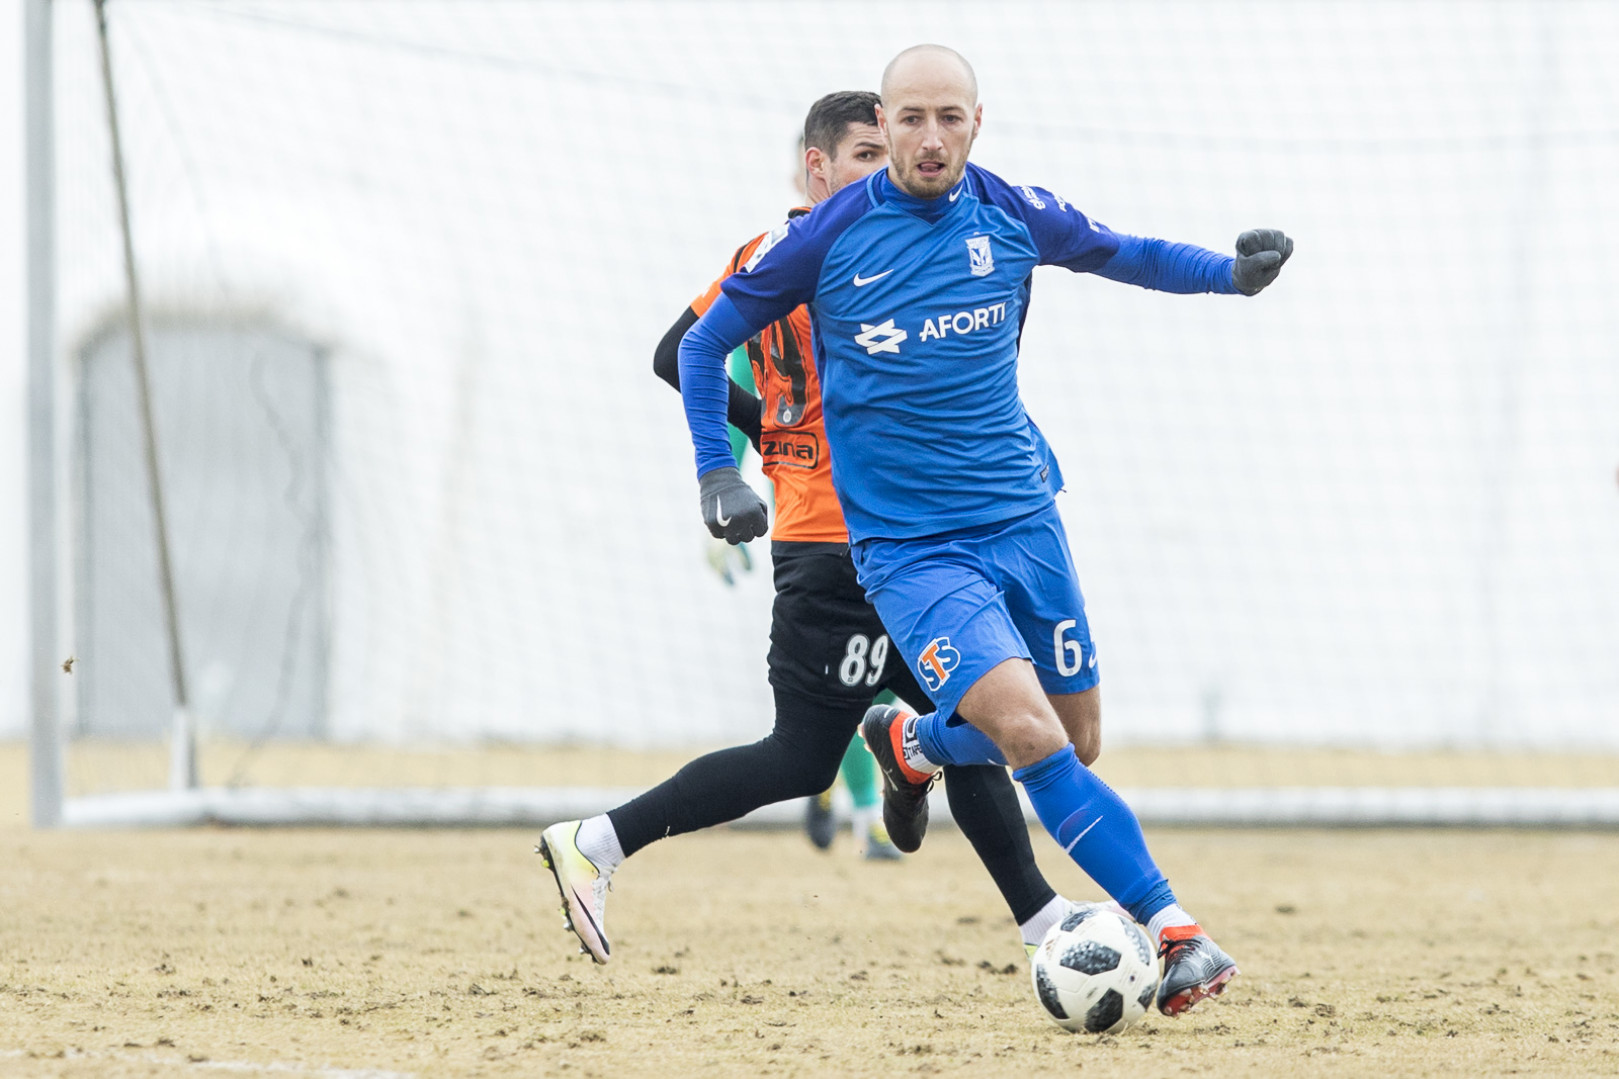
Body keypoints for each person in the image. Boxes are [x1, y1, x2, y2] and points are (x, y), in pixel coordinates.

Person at [675, 46, 1293, 1017]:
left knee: (1077, 738)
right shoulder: (826, 235)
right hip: (910, 549)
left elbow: (1121, 252)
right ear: (885, 123)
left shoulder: (1010, 210)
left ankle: (914, 743)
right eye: (909, 118)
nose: (929, 138)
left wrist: (1229, 275)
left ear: (975, 123)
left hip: (1024, 521)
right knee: (1031, 734)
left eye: (948, 118)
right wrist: (717, 469)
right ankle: (1175, 931)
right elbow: (702, 341)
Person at [538, 90, 1079, 966]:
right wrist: (755, 449)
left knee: (975, 715)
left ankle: (1037, 912)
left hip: (911, 538)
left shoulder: (856, 247)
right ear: (814, 167)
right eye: (866, 153)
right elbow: (680, 353)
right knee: (802, 757)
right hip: (835, 545)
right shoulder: (801, 254)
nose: (886, 167)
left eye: (886, 152)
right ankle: (597, 840)